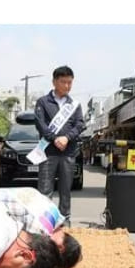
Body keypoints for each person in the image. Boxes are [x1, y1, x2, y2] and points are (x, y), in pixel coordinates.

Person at [34, 65, 86, 226]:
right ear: (54, 81)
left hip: (68, 152)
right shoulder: (43, 102)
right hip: (48, 151)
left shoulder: (75, 105)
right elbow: (40, 124)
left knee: (65, 189)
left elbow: (80, 125)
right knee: (45, 188)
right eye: (64, 82)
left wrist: (67, 138)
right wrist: (55, 138)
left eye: (70, 82)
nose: (67, 86)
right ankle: (45, 221)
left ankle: (64, 219)